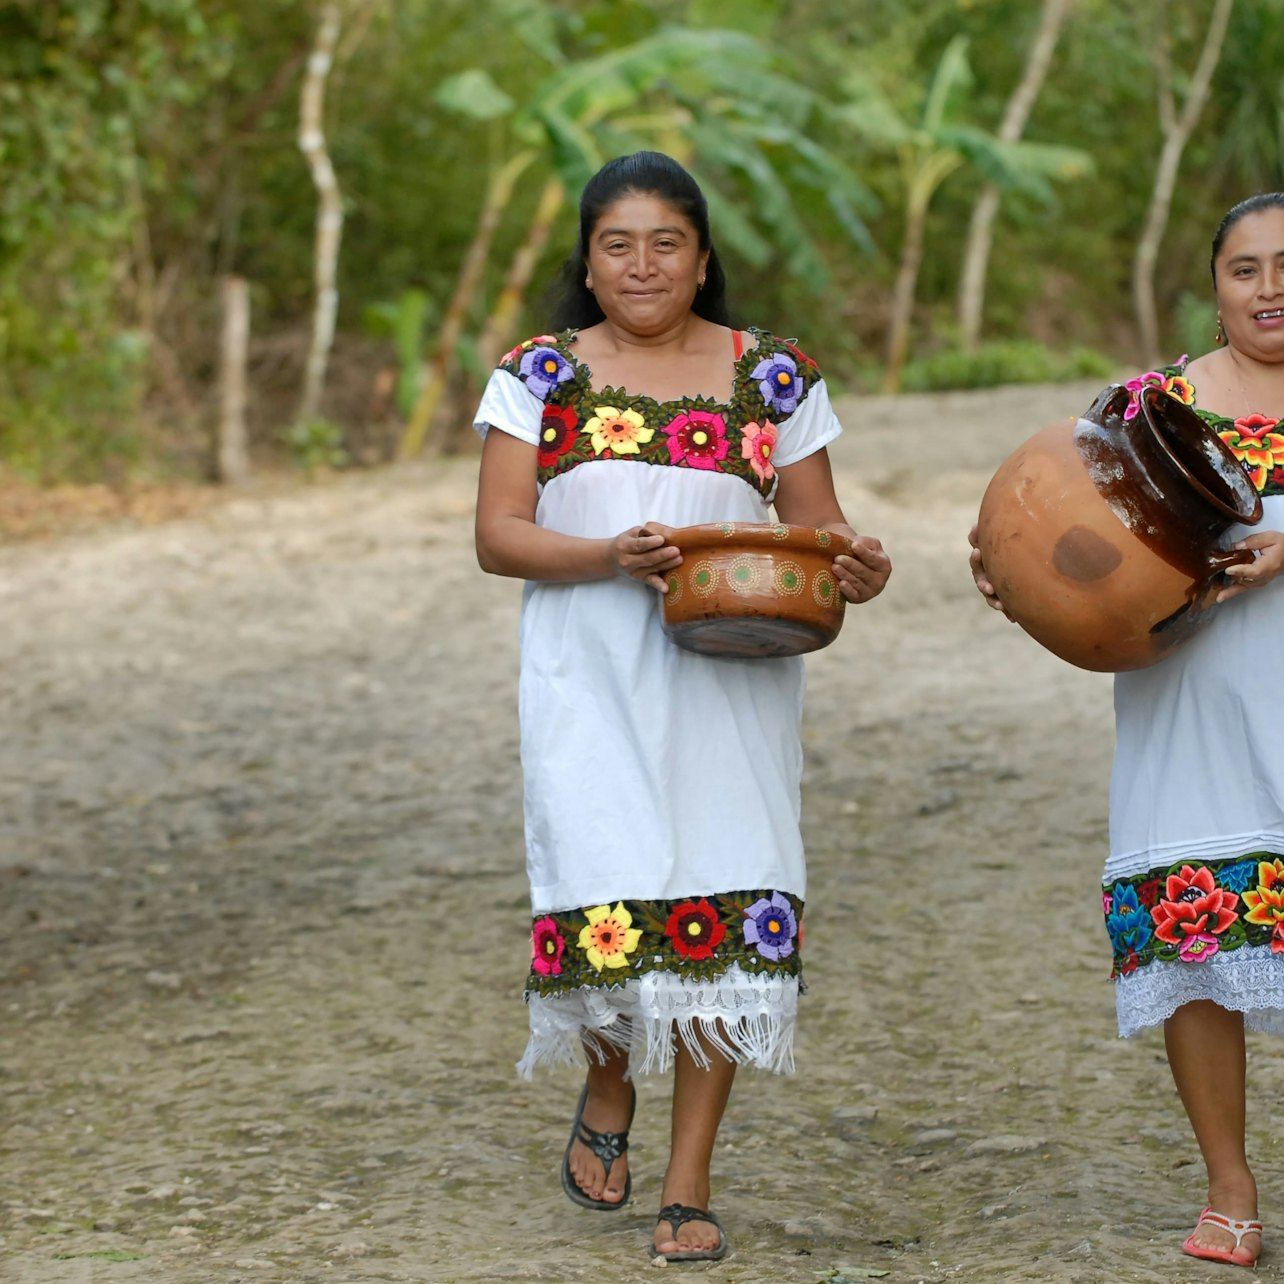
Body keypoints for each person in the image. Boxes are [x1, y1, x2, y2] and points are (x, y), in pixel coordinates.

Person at [473, 151, 890, 1263]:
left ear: (704, 261)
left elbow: (818, 526)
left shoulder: (775, 376)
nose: (643, 264)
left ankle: (689, 1178)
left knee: (726, 897)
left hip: (735, 679)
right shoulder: (539, 374)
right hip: (588, 683)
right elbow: (498, 536)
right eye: (618, 245)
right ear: (588, 264)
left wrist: (851, 563)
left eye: (667, 243)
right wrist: (608, 556)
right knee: (606, 890)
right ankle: (610, 1078)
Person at [970, 192, 1284, 1270]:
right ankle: (1229, 1188)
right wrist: (1010, 564)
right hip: (1189, 710)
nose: (1270, 288)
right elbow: (1060, 512)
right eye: (1245, 269)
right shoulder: (1151, 407)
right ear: (1214, 286)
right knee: (1198, 935)